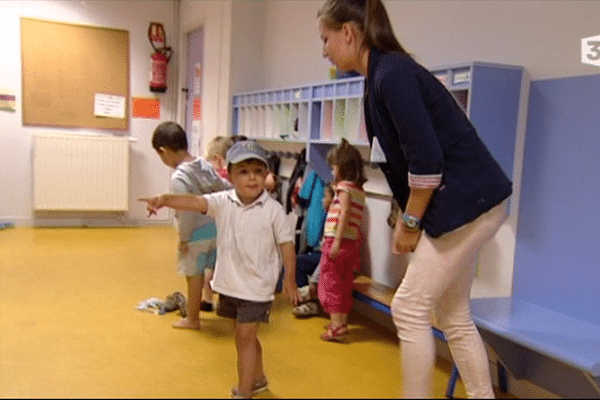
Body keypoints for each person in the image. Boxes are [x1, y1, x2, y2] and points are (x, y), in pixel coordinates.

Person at [317, 0, 512, 397]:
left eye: (326, 39)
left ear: (349, 33)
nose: (324, 50)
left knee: (407, 307)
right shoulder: (379, 77)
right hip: (465, 207)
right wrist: (411, 219)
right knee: (453, 314)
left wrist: (410, 224)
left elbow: (426, 160)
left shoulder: (393, 74)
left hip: (468, 207)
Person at [140, 140, 300, 399]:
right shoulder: (222, 201)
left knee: (243, 337)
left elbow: (287, 247)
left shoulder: (273, 211)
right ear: (232, 175)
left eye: (259, 172)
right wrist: (163, 199)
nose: (252, 178)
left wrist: (289, 281)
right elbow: (193, 202)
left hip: (258, 287)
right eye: (244, 172)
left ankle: (244, 391)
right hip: (229, 284)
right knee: (247, 334)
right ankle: (258, 379)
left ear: (266, 175)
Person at [151, 122, 231, 329]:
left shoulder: (179, 177)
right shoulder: (204, 164)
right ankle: (225, 309)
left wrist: (183, 239)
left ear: (164, 151)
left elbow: (186, 213)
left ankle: (193, 319)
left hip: (196, 233)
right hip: (216, 228)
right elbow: (224, 188)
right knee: (214, 270)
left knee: (193, 275)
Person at [318, 139, 366, 342]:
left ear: (342, 167)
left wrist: (335, 241)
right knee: (344, 282)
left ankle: (336, 325)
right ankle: (342, 322)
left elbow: (344, 213)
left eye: (333, 167)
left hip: (338, 242)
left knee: (331, 282)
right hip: (350, 244)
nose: (332, 171)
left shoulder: (344, 188)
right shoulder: (358, 190)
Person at [292, 183, 335, 318]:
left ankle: (310, 298)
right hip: (321, 251)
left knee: (308, 264)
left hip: (329, 255)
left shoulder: (335, 217)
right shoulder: (326, 215)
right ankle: (307, 299)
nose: (322, 200)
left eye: (325, 196)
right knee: (298, 262)